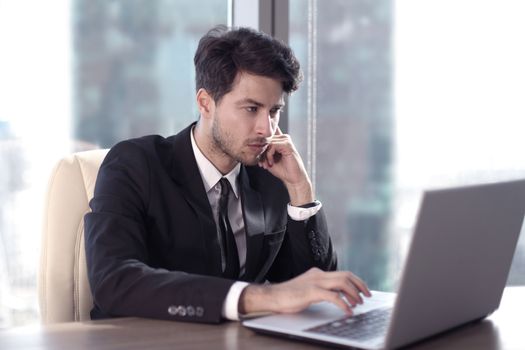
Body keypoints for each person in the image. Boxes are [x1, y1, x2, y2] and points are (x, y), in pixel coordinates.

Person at [84, 25, 370, 324]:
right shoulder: (134, 165)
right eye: (251, 108)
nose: (267, 129)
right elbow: (114, 281)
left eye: (274, 111)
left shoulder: (268, 175)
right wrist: (256, 297)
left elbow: (314, 290)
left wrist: (301, 193)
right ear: (205, 103)